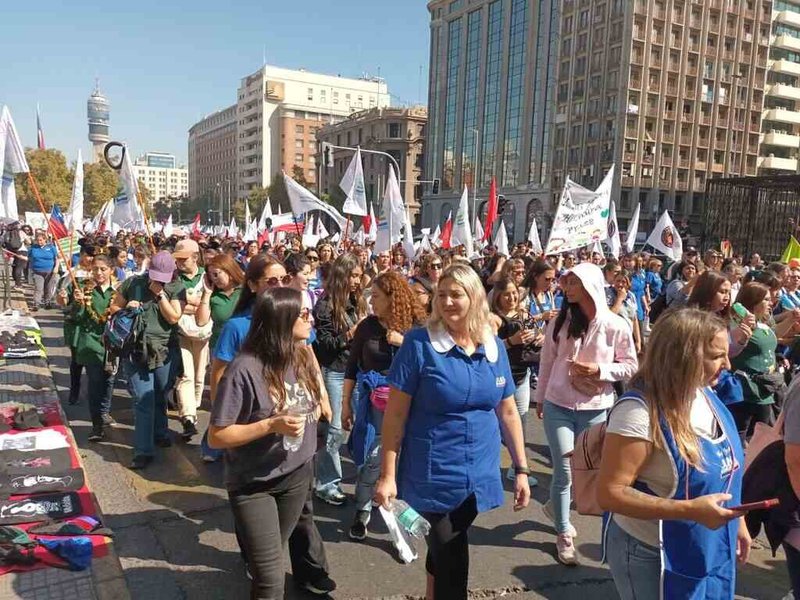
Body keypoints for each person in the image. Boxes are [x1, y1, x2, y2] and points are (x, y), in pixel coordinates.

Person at [375, 264, 531, 600]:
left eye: (456, 294)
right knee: (453, 559)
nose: (446, 302)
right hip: (433, 473)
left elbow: (508, 412)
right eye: (441, 295)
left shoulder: (494, 347)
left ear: (475, 298)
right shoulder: (419, 344)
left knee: (445, 545)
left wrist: (521, 469)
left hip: (479, 473)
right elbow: (395, 416)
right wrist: (387, 475)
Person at [597, 308, 750, 600]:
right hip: (652, 554)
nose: (728, 364)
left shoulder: (703, 393)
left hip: (708, 544)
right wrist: (689, 510)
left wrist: (737, 521)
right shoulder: (638, 413)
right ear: (684, 357)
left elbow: (727, 470)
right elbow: (610, 493)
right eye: (717, 356)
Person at [209, 257, 334, 595]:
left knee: (272, 555)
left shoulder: (301, 355)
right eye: (303, 314)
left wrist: (322, 401)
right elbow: (218, 436)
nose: (310, 319)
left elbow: (311, 394)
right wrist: (271, 425)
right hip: (255, 484)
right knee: (270, 578)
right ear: (282, 321)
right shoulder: (244, 369)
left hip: (296, 476)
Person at [535, 263, 638, 565]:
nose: (566, 288)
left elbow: (630, 365)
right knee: (565, 470)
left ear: (590, 285)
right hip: (557, 405)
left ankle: (555, 507)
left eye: (573, 283)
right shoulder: (559, 323)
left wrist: (600, 370)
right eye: (565, 283)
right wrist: (541, 397)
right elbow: (546, 362)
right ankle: (563, 533)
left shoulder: (615, 324)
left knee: (586, 473)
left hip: (595, 408)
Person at [341, 271, 426, 541]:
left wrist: (404, 342)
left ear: (393, 298)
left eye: (376, 296)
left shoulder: (417, 327)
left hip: (411, 403)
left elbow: (428, 364)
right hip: (375, 402)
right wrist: (345, 404)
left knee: (406, 460)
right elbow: (352, 367)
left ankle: (401, 515)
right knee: (374, 456)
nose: (371, 301)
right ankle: (363, 509)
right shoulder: (366, 326)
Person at [110, 250, 185, 470]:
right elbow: (113, 307)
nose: (158, 280)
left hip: (165, 350)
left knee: (161, 393)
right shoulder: (133, 283)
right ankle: (143, 451)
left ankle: (160, 431)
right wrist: (126, 307)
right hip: (136, 349)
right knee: (143, 399)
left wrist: (160, 295)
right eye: (155, 276)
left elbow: (174, 317)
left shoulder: (177, 287)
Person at [312, 253, 367, 506]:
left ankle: (368, 479)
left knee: (363, 426)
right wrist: (353, 332)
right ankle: (327, 483)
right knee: (333, 429)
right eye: (352, 275)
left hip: (357, 371)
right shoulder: (325, 305)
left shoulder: (357, 301)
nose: (356, 281)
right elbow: (325, 345)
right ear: (341, 276)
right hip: (335, 371)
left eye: (359, 276)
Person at [56, 255, 117, 441]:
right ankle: (97, 425)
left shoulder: (119, 291)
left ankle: (104, 412)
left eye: (103, 269)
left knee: (109, 380)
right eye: (95, 269)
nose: (99, 273)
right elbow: (72, 313)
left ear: (111, 270)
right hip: (90, 343)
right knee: (95, 383)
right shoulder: (83, 288)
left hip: (112, 344)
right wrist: (74, 302)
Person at [490, 276, 543, 486]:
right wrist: (511, 341)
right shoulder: (493, 318)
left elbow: (537, 333)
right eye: (506, 294)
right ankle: (490, 466)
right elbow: (488, 347)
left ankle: (516, 467)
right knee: (496, 424)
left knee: (520, 421)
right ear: (498, 296)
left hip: (523, 374)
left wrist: (538, 337)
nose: (512, 298)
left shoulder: (523, 313)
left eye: (514, 293)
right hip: (501, 377)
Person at [728, 282, 793, 440]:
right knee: (741, 434)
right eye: (766, 300)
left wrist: (791, 319)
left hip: (765, 390)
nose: (771, 303)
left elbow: (773, 335)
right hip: (746, 391)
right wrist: (743, 329)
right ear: (753, 301)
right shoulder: (737, 322)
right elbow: (730, 347)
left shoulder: (762, 323)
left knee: (761, 437)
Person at [172, 239, 209, 440]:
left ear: (195, 257)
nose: (179, 262)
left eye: (184, 258)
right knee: (185, 374)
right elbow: (172, 305)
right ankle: (188, 417)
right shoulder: (173, 278)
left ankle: (193, 406)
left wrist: (190, 305)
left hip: (203, 334)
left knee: (199, 374)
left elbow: (210, 303)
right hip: (180, 333)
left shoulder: (207, 276)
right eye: (177, 259)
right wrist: (195, 306)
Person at [29, 231, 59, 311]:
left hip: (50, 272)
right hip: (38, 272)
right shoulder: (33, 248)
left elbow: (57, 258)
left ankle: (47, 302)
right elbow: (29, 258)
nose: (39, 242)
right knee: (38, 288)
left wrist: (56, 267)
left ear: (45, 240)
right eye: (38, 240)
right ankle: (36, 304)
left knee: (48, 288)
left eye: (41, 240)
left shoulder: (51, 247)